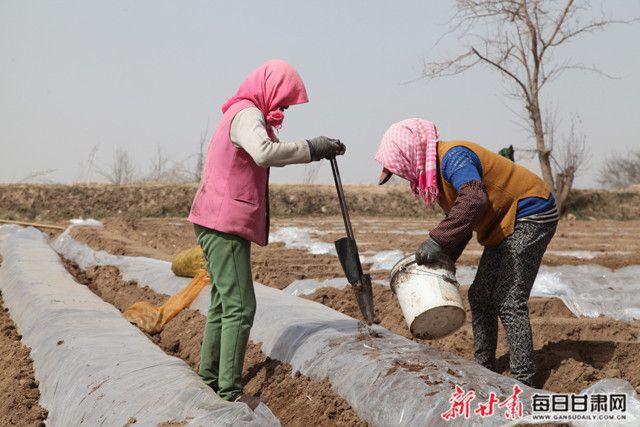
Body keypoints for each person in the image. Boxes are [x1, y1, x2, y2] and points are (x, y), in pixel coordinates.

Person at [188, 59, 345, 409]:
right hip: (222, 222)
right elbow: (263, 152)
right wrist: (311, 148)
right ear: (269, 90)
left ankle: (209, 378)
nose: (285, 108)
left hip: (216, 219)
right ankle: (228, 390)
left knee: (222, 303)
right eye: (284, 100)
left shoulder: (243, 113)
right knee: (241, 306)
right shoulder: (247, 115)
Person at [375, 118, 558, 387]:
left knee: (509, 299)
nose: (402, 176)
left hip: (531, 212)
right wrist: (444, 257)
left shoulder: (453, 157)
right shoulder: (436, 176)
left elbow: (474, 199)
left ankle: (524, 382)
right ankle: (484, 368)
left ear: (410, 155)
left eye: (400, 170)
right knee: (480, 295)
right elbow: (463, 219)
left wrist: (437, 241)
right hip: (503, 222)